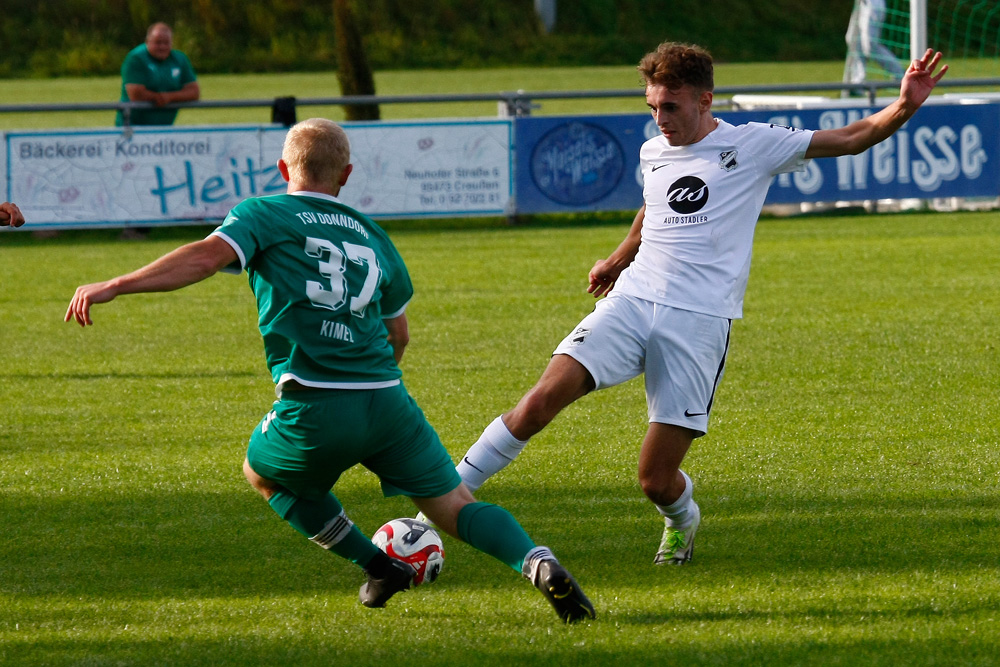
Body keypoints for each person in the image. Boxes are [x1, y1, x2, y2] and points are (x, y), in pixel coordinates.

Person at [65, 118, 595, 623]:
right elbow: (399, 334)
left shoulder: (264, 213)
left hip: (315, 401)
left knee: (265, 474)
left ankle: (378, 566)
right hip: (388, 399)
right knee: (455, 504)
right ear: (345, 175)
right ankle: (536, 562)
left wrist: (114, 285)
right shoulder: (373, 235)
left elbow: (203, 258)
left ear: (282, 169)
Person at [454, 43, 948, 567]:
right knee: (536, 404)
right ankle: (439, 506)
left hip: (700, 320)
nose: (659, 119)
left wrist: (905, 105)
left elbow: (851, 138)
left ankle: (682, 519)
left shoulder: (753, 145)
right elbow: (654, 205)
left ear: (704, 99)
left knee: (655, 479)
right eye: (652, 107)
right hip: (632, 301)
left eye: (670, 107)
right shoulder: (653, 151)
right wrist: (620, 257)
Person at [115, 22, 200, 127]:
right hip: (132, 128)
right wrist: (158, 98)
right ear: (147, 42)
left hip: (164, 128)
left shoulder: (179, 59)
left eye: (166, 43)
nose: (162, 47)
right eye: (158, 43)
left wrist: (168, 97)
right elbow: (136, 93)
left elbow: (194, 92)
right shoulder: (136, 58)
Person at [844, 0, 905, 89]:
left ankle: (900, 75)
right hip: (862, 5)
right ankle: (858, 83)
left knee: (870, 46)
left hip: (874, 4)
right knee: (853, 40)